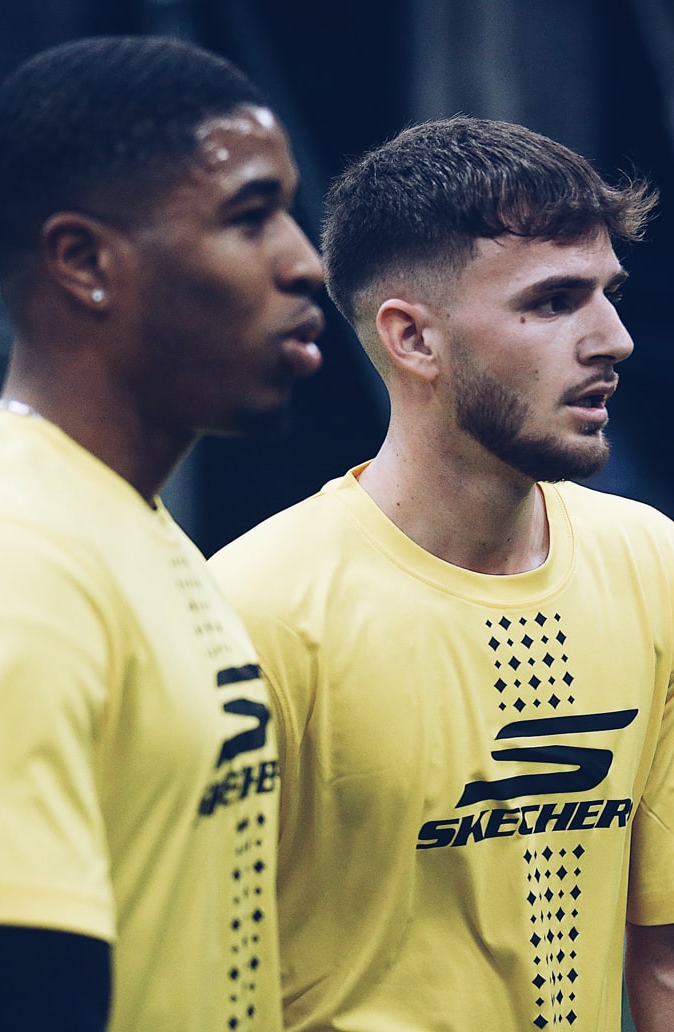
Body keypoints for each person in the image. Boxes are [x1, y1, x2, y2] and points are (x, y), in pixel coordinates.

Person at [209, 115, 674, 1030]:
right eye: (554, 301)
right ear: (413, 340)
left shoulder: (652, 563)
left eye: (608, 294)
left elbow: (664, 952)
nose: (614, 338)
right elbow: (196, 979)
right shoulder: (255, 608)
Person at [0, 34, 324, 1032]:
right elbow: (11, 988)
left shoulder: (127, 522)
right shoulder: (11, 550)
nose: (305, 261)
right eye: (250, 216)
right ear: (85, 262)